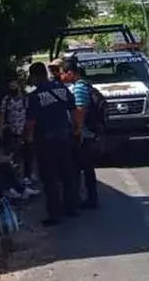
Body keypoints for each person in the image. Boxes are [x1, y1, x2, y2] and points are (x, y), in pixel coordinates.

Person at [24, 61, 80, 226]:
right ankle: (71, 207)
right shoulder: (61, 89)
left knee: (49, 177)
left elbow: (31, 121)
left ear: (34, 76)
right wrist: (77, 128)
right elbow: (73, 108)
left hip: (46, 140)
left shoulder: (34, 96)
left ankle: (55, 214)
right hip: (64, 136)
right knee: (67, 173)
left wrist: (28, 138)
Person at [64, 59, 100, 209]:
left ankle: (82, 200)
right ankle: (89, 198)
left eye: (63, 73)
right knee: (86, 168)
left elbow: (80, 110)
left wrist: (77, 130)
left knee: (79, 168)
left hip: (83, 135)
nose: (62, 76)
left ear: (70, 73)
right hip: (89, 134)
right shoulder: (86, 84)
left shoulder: (78, 87)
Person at [0, 78, 32, 186]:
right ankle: (15, 177)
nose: (12, 89)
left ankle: (27, 176)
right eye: (10, 87)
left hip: (23, 130)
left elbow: (29, 114)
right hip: (11, 130)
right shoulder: (7, 99)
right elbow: (2, 114)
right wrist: (1, 128)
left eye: (14, 86)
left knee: (27, 154)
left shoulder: (25, 99)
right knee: (13, 155)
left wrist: (29, 131)